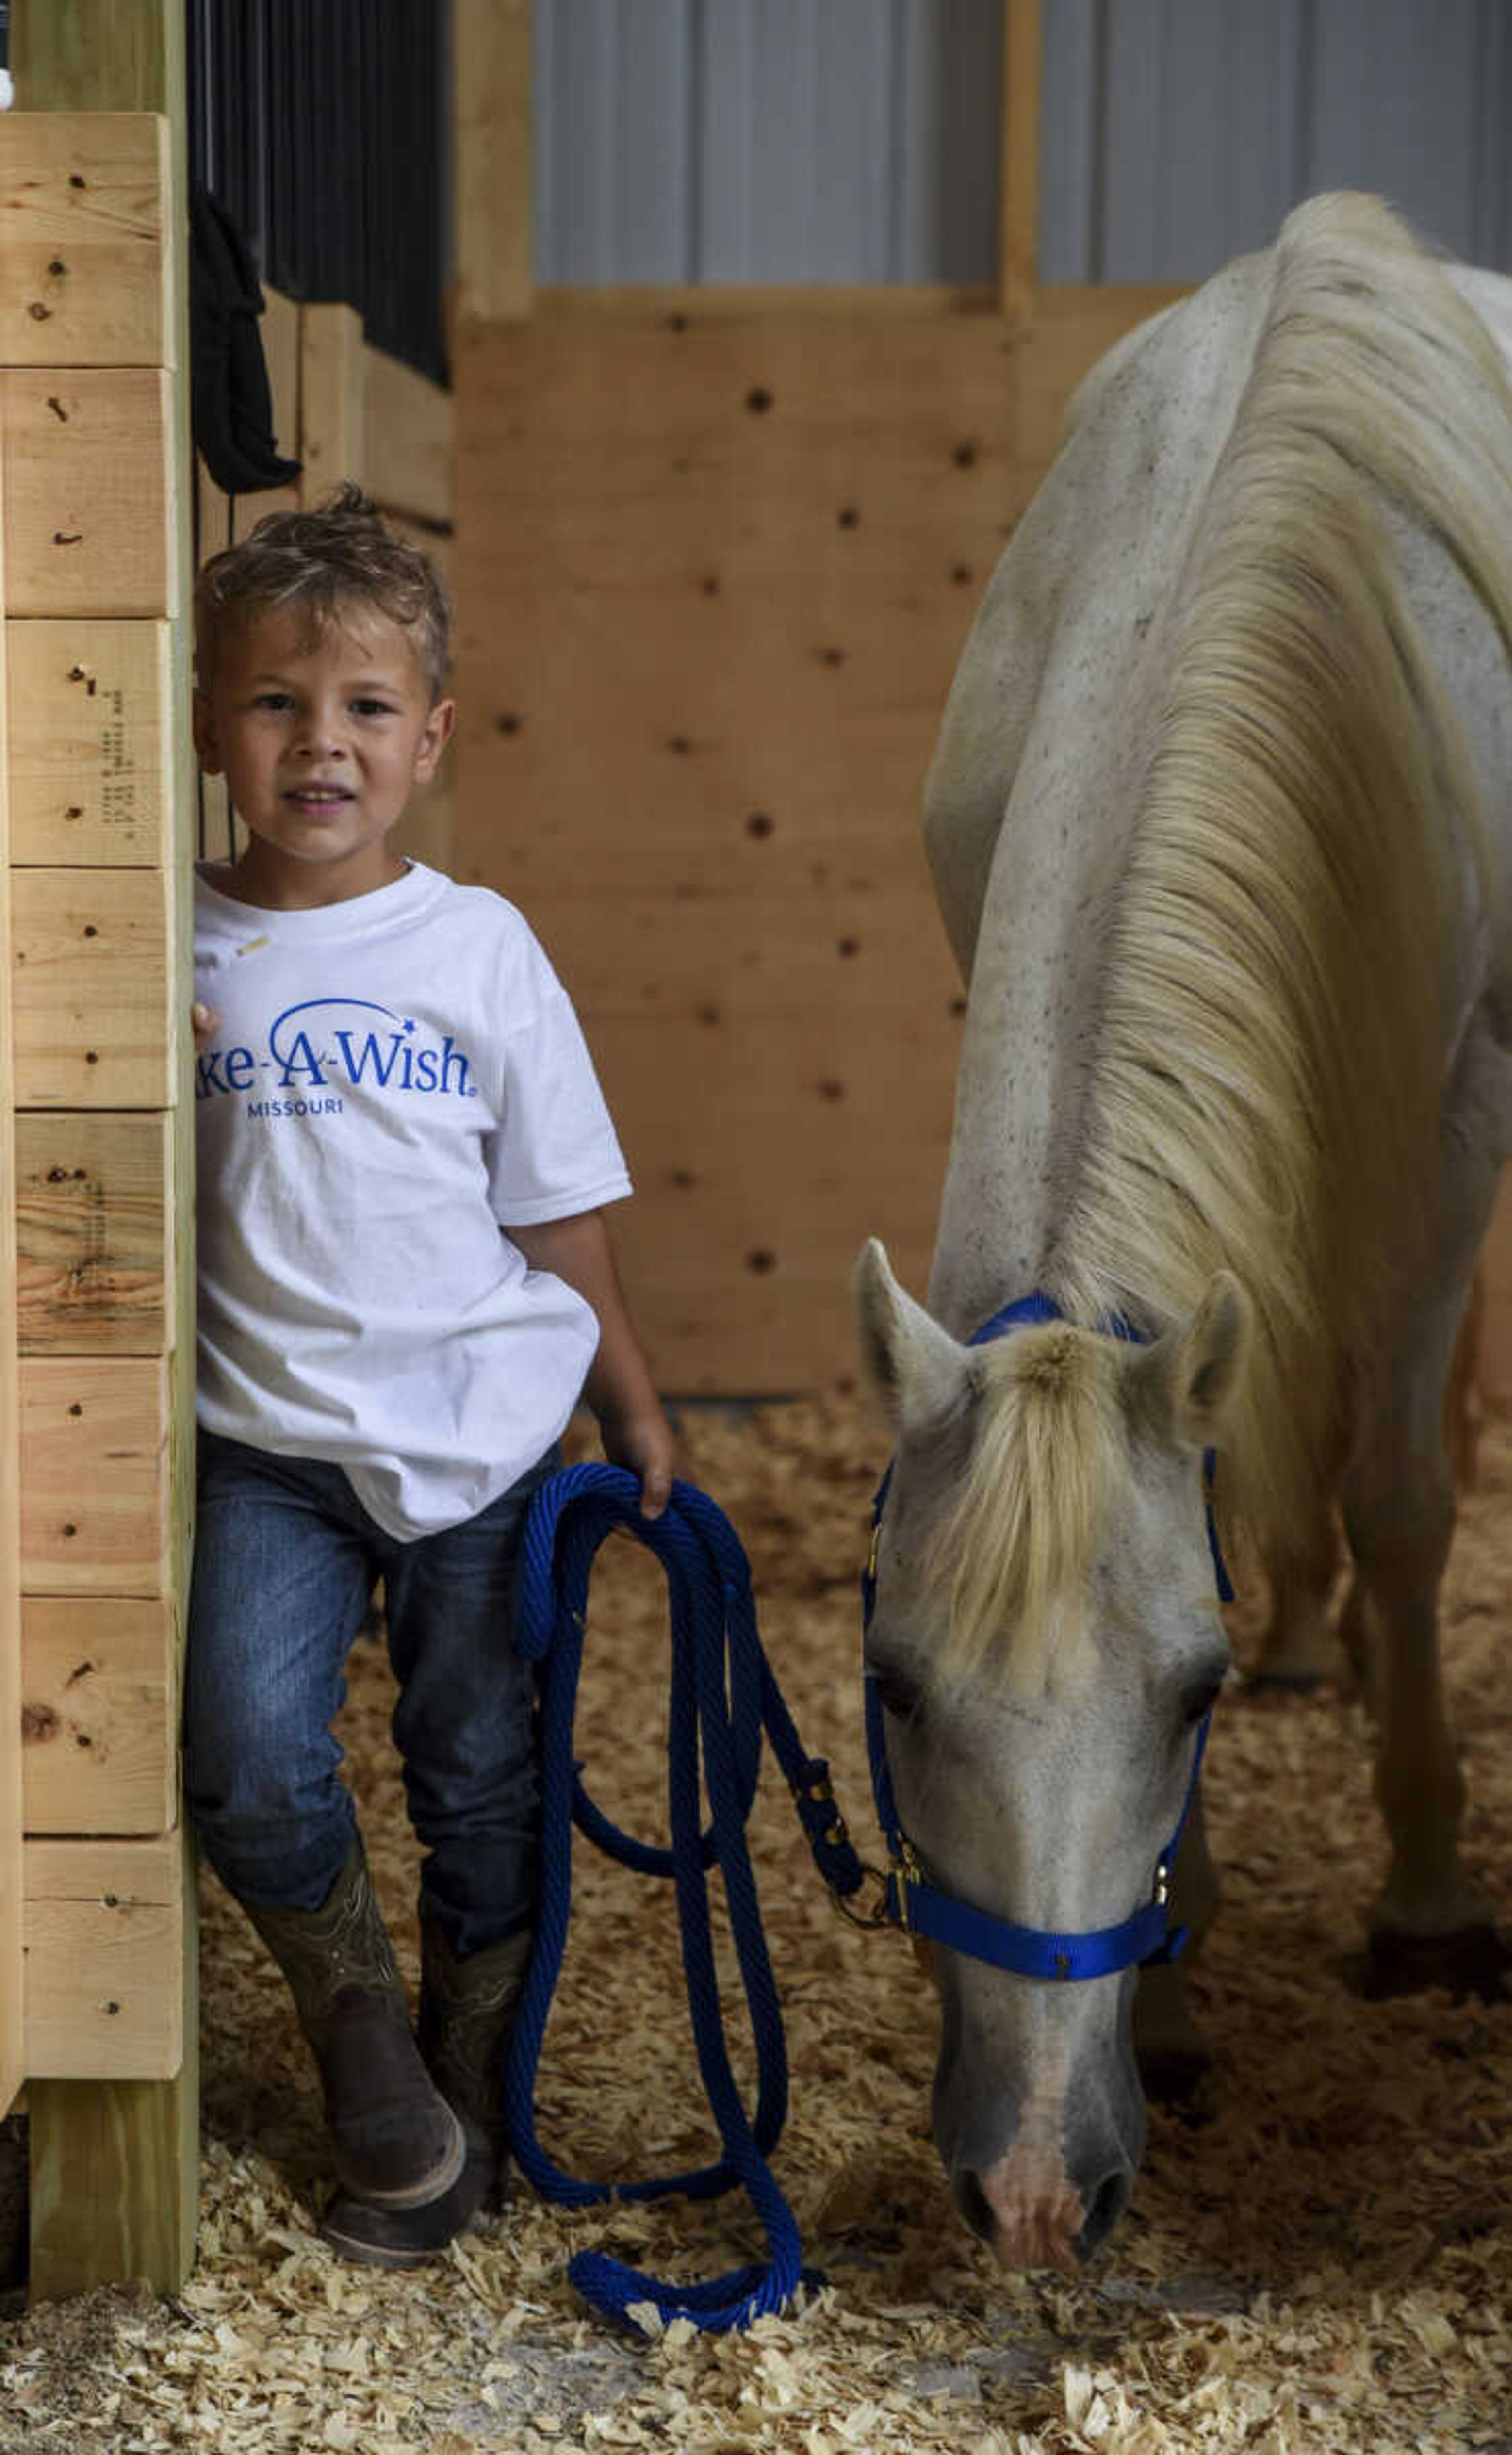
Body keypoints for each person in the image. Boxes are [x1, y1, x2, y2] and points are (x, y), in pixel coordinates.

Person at [186, 482, 675, 2268]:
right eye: (277, 703)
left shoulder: (480, 946)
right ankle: (359, 2030)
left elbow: (560, 1213)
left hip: (479, 1431)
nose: (322, 743)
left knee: (479, 1755)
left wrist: (633, 1408)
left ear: (431, 740)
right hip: (260, 1445)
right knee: (241, 1745)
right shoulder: (166, 948)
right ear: (207, 723)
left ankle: (474, 2058)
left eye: (367, 710)